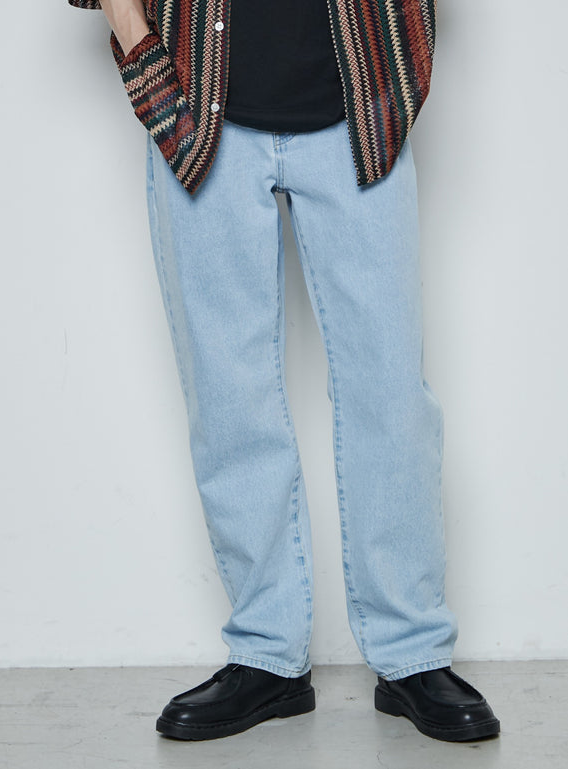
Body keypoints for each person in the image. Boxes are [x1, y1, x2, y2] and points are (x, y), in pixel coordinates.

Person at [69, 0, 501, 743]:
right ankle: (266, 654)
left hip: (361, 105)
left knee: (390, 391)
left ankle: (411, 653)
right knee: (229, 397)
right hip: (195, 107)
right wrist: (139, 49)